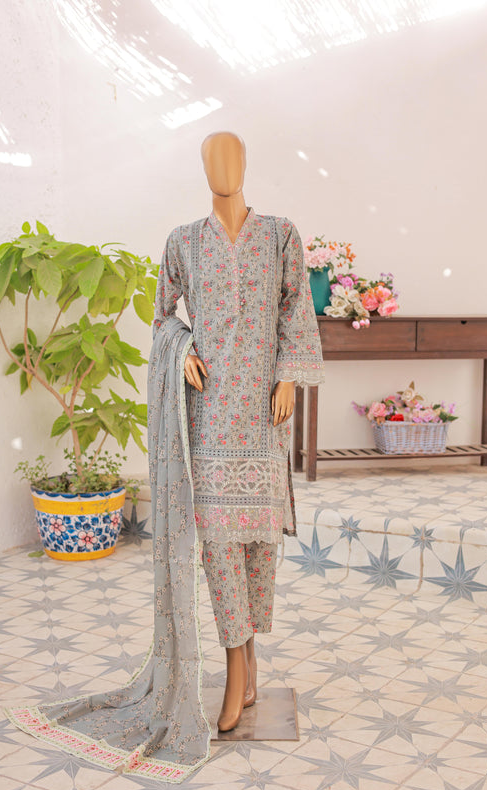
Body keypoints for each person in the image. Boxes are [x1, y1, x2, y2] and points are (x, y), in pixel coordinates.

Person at [153, 131, 324, 731]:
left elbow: (296, 311)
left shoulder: (280, 235)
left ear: (246, 163)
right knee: (218, 545)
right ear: (201, 167)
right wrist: (181, 352)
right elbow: (162, 319)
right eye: (210, 158)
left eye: (230, 156)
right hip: (209, 415)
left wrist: (288, 379)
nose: (220, 168)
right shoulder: (183, 242)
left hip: (261, 415)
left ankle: (250, 663)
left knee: (256, 547)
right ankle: (232, 669)